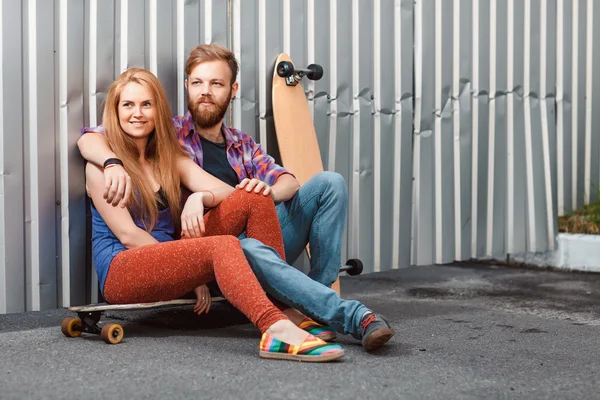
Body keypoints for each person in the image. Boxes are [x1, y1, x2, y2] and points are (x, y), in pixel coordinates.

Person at [78, 44, 394, 351]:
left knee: (252, 194)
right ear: (115, 112)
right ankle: (288, 320)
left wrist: (200, 197)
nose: (137, 114)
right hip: (129, 264)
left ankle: (290, 304)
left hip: (193, 249)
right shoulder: (106, 162)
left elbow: (239, 192)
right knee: (230, 244)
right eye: (128, 105)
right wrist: (112, 162)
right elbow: (127, 233)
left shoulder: (170, 156)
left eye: (146, 105)